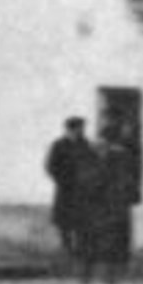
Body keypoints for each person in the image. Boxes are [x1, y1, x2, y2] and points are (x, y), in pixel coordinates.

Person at [81, 121, 140, 284]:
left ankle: (107, 276)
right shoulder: (91, 155)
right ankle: (88, 275)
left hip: (110, 205)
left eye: (105, 141)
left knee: (109, 242)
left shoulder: (119, 157)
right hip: (96, 205)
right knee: (93, 241)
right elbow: (85, 177)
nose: (102, 144)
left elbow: (124, 181)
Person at [45, 116, 96, 271]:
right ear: (69, 129)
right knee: (64, 223)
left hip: (81, 191)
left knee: (81, 222)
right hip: (65, 190)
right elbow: (50, 166)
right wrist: (62, 179)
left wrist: (88, 181)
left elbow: (92, 163)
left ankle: (80, 251)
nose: (80, 131)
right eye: (78, 128)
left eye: (82, 128)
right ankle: (67, 249)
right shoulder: (59, 145)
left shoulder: (86, 145)